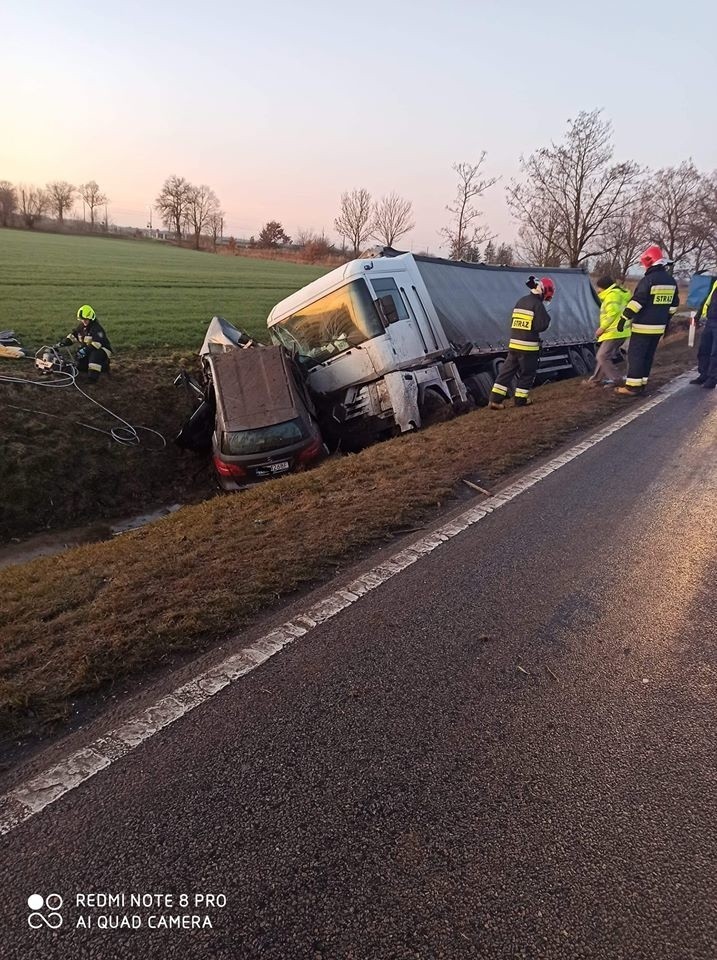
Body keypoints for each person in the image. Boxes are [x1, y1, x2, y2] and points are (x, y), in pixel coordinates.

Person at [614, 245, 679, 396]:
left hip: (643, 326)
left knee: (636, 355)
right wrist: (666, 319)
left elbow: (637, 302)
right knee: (648, 355)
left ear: (649, 262)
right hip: (659, 328)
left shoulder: (648, 280)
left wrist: (624, 318)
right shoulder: (671, 281)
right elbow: (674, 305)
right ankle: (642, 383)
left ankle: (632, 387)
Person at [489, 275, 555, 409]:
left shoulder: (521, 301)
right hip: (528, 347)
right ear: (544, 291)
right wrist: (547, 317)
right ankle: (521, 400)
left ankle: (495, 400)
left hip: (514, 345)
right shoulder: (537, 305)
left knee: (506, 372)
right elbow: (540, 326)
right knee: (527, 373)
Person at [586, 276, 631, 386]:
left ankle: (617, 380)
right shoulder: (617, 293)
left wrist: (602, 328)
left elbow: (613, 313)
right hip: (619, 331)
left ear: (604, 287)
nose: (598, 290)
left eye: (599, 288)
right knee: (604, 356)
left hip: (614, 331)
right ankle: (595, 380)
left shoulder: (612, 295)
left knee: (602, 356)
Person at [56, 305, 112, 382]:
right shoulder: (82, 327)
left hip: (102, 350)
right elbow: (73, 336)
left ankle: (93, 378)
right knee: (80, 365)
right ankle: (103, 368)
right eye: (82, 319)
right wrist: (62, 344)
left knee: (95, 355)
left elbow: (97, 344)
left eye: (86, 319)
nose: (84, 321)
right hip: (88, 350)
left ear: (91, 318)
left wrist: (84, 351)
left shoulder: (97, 328)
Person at [690, 277, 717, 389]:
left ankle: (712, 379)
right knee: (704, 349)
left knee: (715, 353)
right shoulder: (715, 282)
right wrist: (698, 315)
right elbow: (708, 299)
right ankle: (704, 374)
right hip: (710, 320)